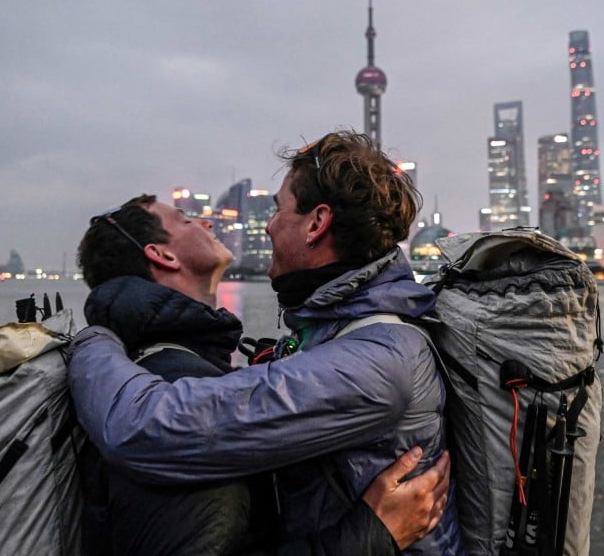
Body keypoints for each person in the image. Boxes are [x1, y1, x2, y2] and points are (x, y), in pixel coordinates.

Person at [70, 131, 463, 554]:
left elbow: (142, 427)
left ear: (317, 223)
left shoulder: (379, 360)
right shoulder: (335, 329)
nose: (270, 225)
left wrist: (90, 340)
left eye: (279, 209)